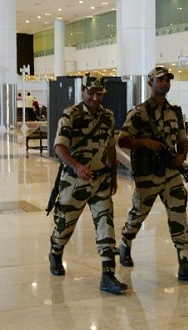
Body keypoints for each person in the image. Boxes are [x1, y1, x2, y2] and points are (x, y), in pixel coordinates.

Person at [118, 66, 188, 282]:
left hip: (170, 173)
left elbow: (182, 138)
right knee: (138, 214)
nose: (164, 83)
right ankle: (125, 243)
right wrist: (145, 143)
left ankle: (184, 262)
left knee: (179, 214)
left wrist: (182, 155)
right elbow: (122, 140)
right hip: (148, 175)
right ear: (151, 84)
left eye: (167, 80)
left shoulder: (175, 112)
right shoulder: (139, 113)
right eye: (160, 80)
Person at [49, 72, 127, 294]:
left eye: (99, 93)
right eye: (91, 92)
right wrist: (77, 166)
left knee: (106, 223)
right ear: (82, 90)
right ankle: (55, 252)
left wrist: (113, 175)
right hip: (74, 181)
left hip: (101, 179)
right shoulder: (70, 115)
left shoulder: (108, 115)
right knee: (65, 225)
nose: (95, 97)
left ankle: (108, 274)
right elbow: (59, 147)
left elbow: (110, 146)